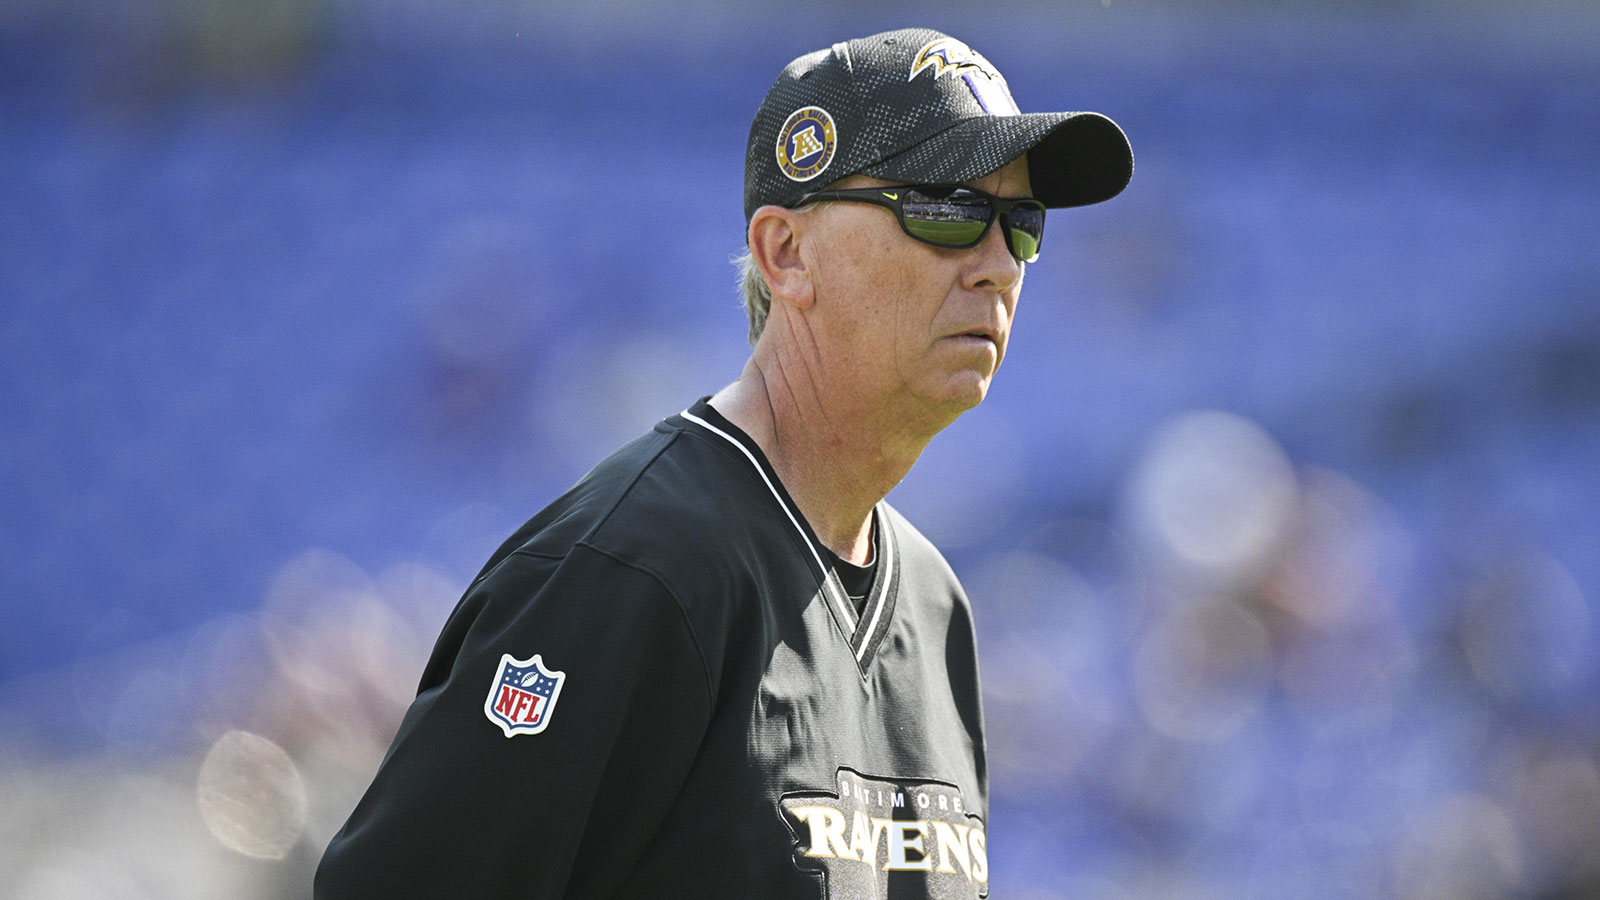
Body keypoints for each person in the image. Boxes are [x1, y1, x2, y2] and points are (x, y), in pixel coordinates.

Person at [314, 26, 1131, 900]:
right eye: (948, 208)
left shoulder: (935, 607)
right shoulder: (633, 570)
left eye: (1022, 224)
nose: (998, 264)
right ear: (787, 253)